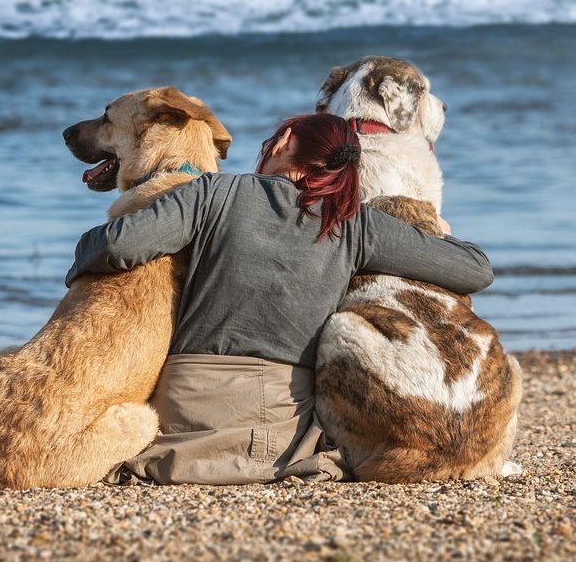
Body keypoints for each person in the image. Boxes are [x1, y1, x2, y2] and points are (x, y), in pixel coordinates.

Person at [65, 113, 493, 485]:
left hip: (184, 414)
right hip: (279, 434)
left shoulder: (214, 193)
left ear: (285, 142)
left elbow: (118, 246)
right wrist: (434, 227)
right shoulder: (356, 225)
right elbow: (475, 269)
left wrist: (78, 263)